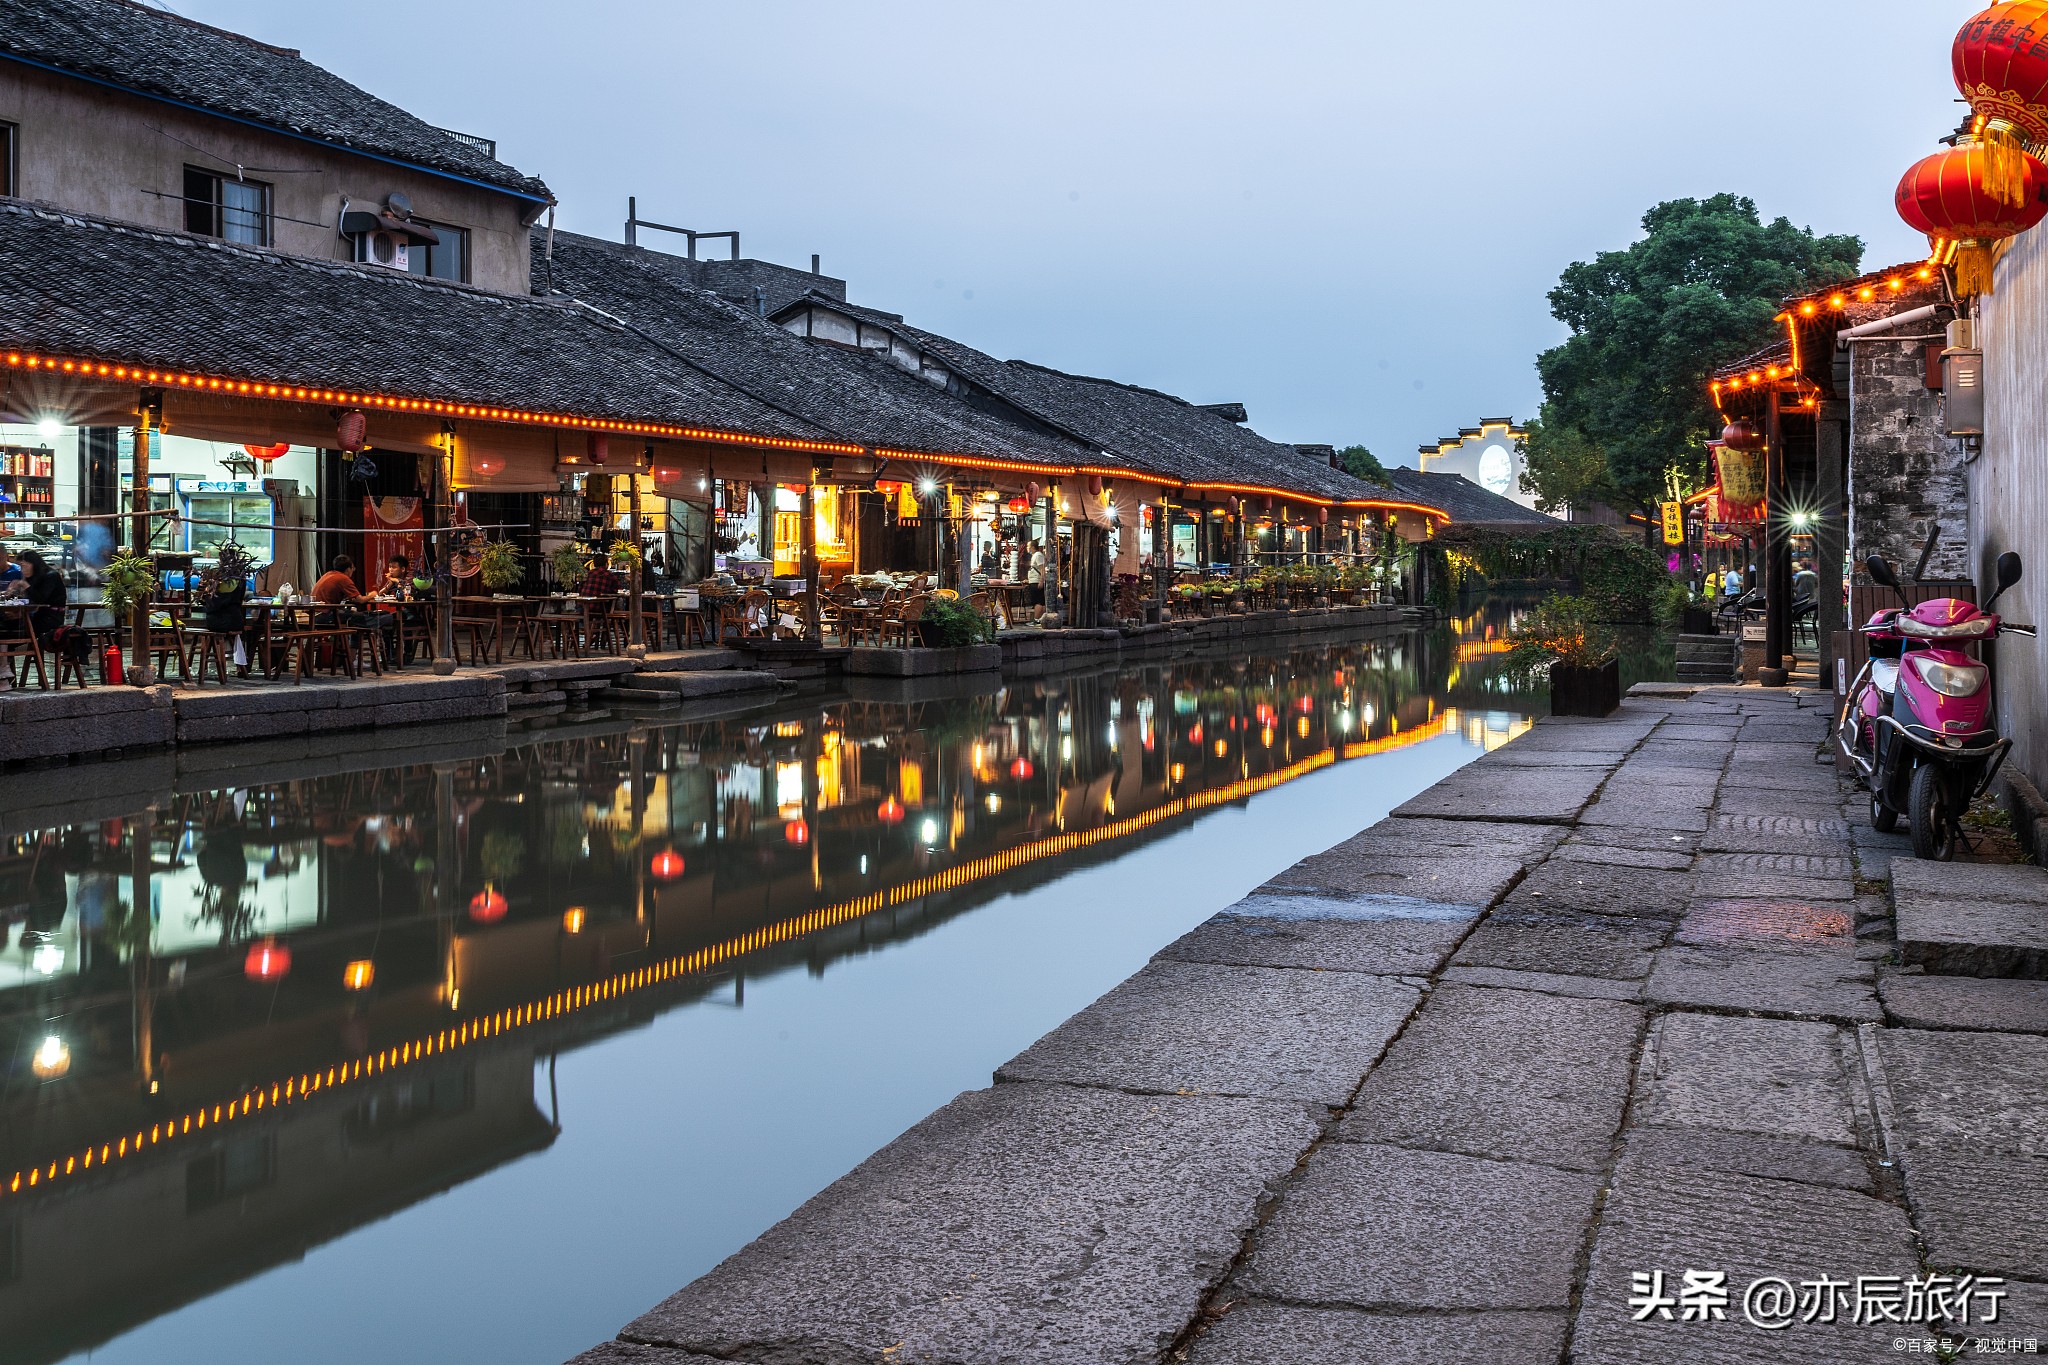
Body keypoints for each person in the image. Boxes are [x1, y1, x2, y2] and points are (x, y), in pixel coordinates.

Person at [17, 551, 65, 642]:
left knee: (11, 629)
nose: (22, 570)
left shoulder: (51, 576)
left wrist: (26, 585)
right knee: (6, 624)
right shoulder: (34, 577)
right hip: (38, 616)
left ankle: (6, 649)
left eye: (23, 566)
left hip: (51, 618)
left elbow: (39, 599)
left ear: (33, 564)